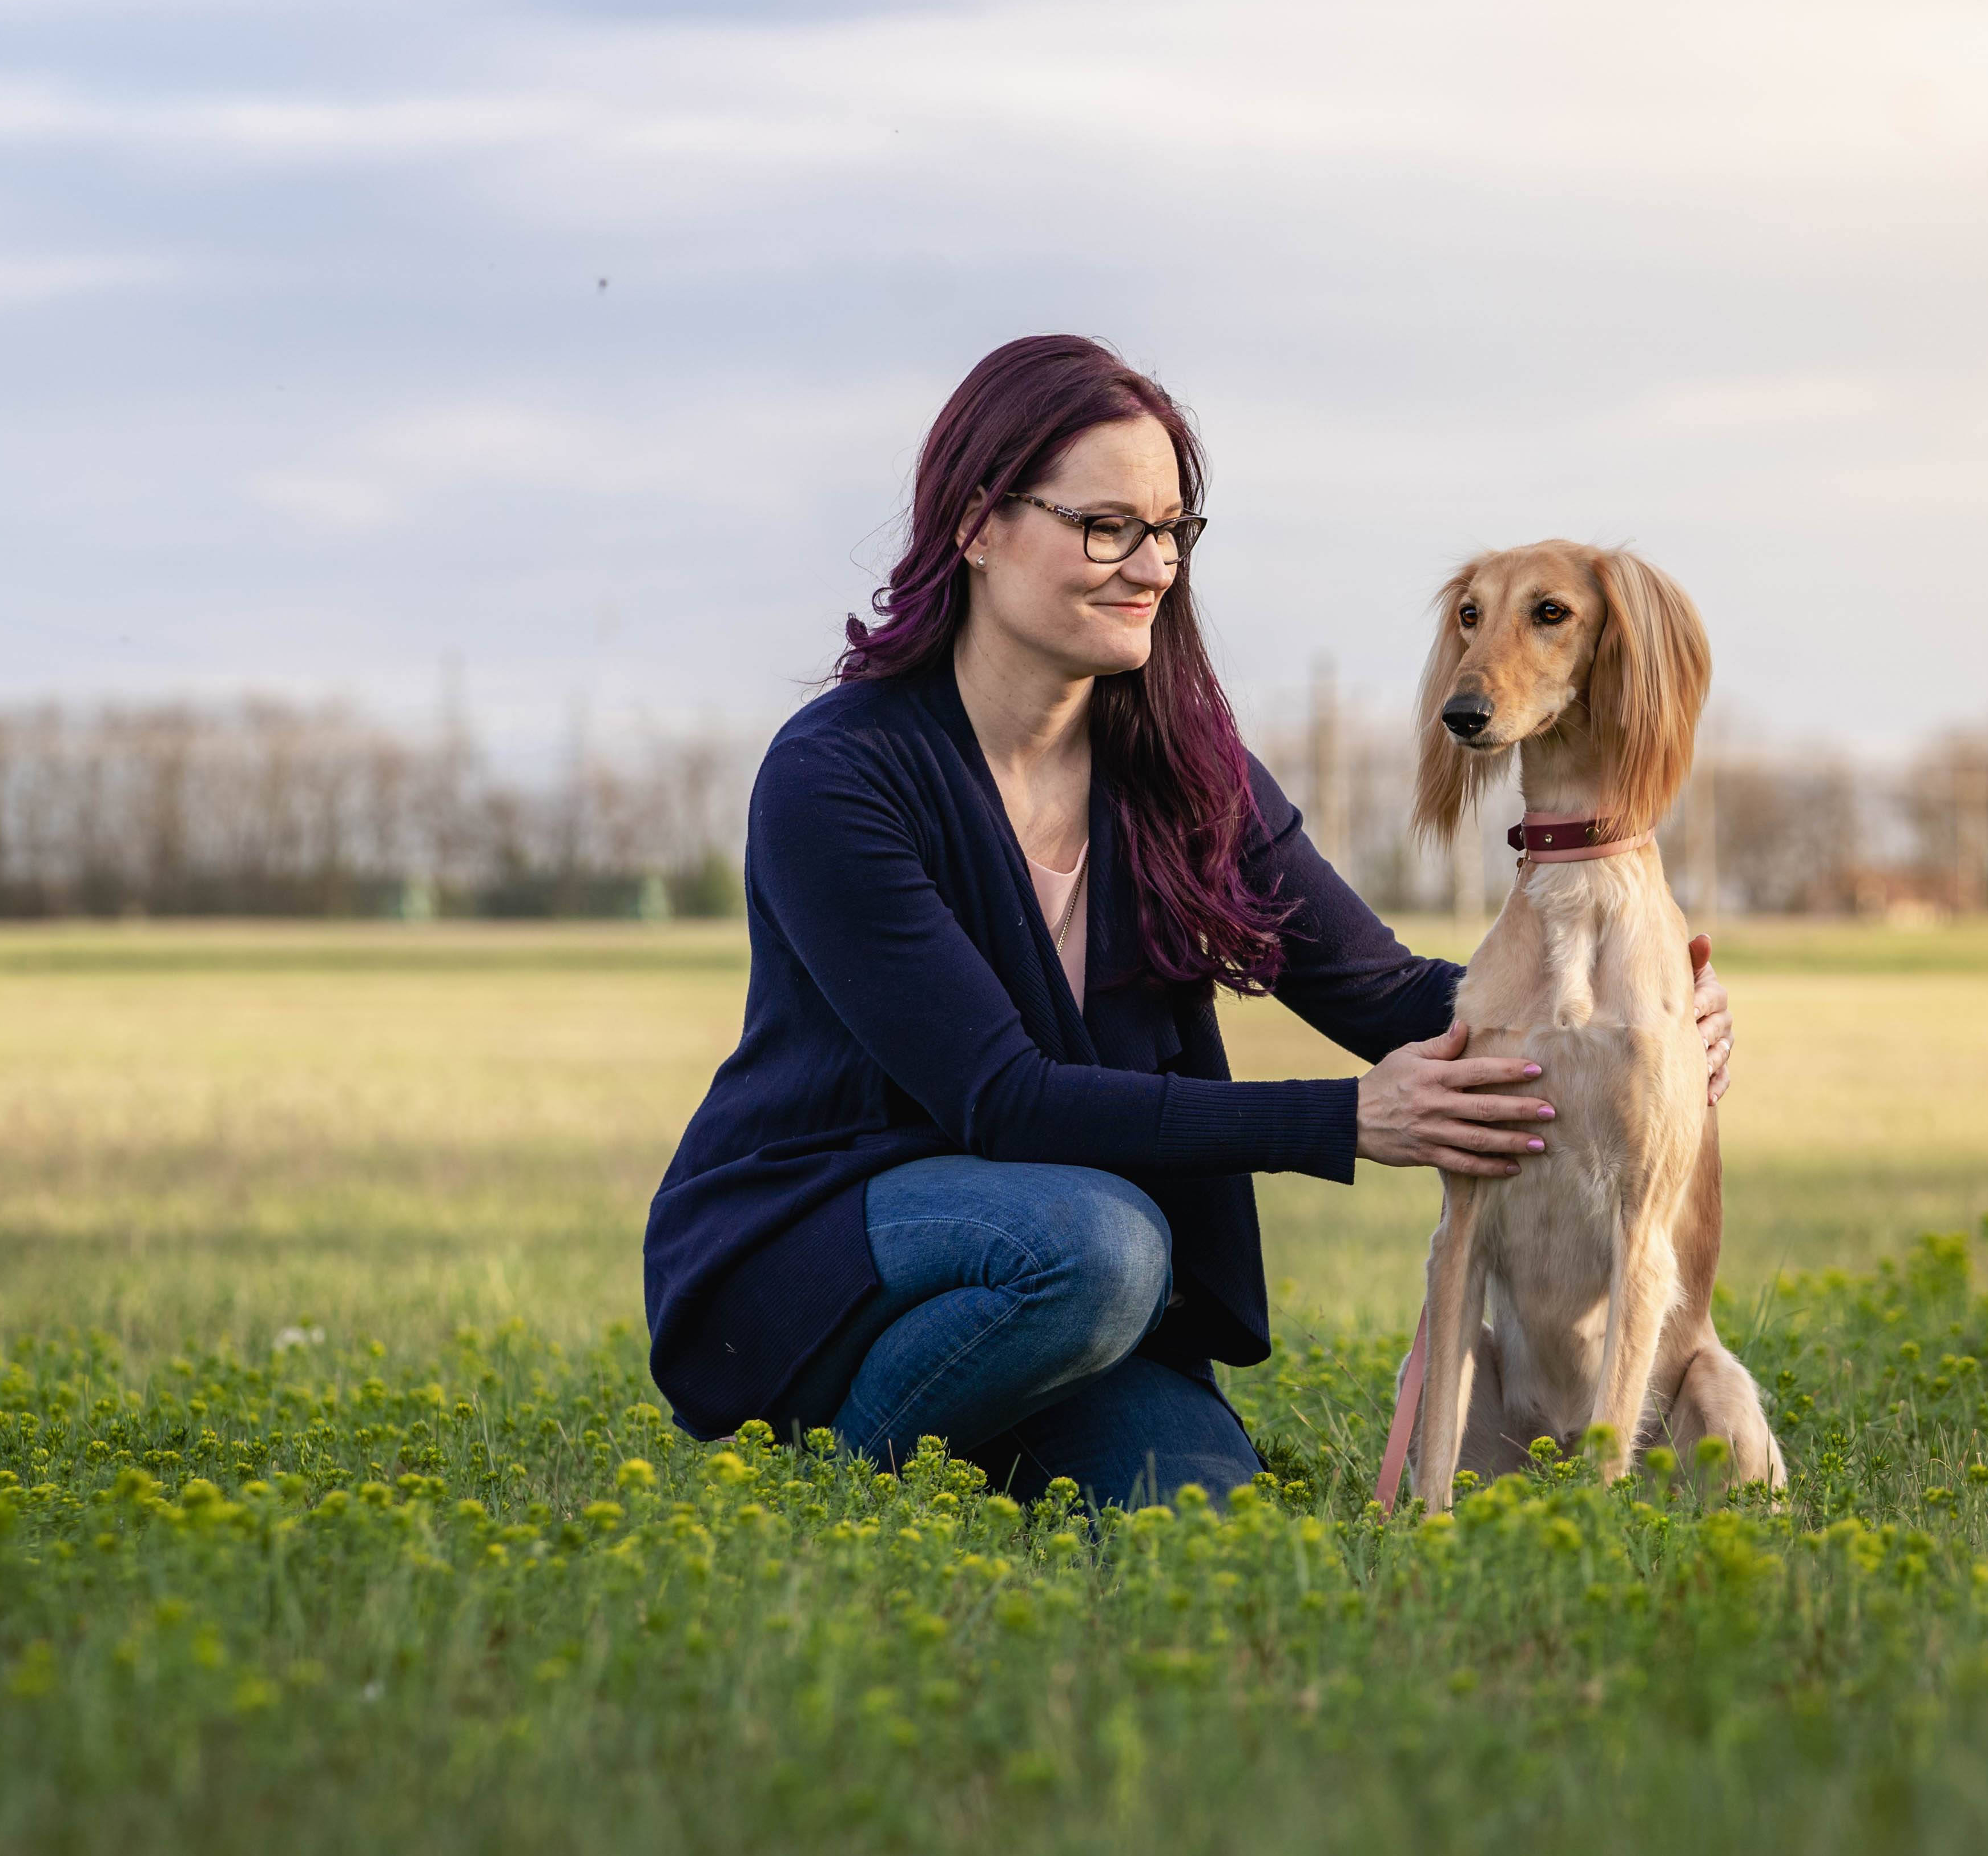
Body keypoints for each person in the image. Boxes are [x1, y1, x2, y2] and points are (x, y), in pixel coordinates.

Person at [643, 335, 1736, 1505]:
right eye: (1105, 526)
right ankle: (829, 1470)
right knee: (1103, 1249)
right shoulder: (839, 777)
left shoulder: (1185, 766)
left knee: (1202, 1513)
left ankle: (990, 1440)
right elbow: (998, 1100)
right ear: (974, 523)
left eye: (1170, 529)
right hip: (829, 1246)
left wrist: (1624, 1012)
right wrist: (1346, 1119)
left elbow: (1377, 991)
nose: (1150, 565)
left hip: (1074, 1286)